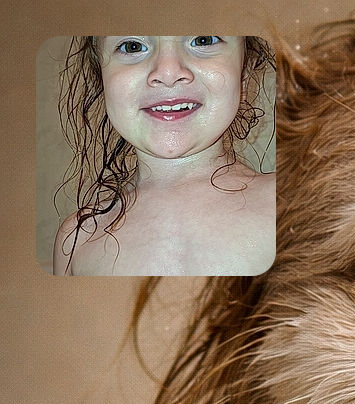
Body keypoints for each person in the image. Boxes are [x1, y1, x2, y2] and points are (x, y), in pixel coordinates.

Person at [52, 36, 275, 276]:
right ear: (103, 81)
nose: (168, 72)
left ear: (244, 77)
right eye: (133, 46)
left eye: (203, 40)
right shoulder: (77, 240)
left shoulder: (288, 203)